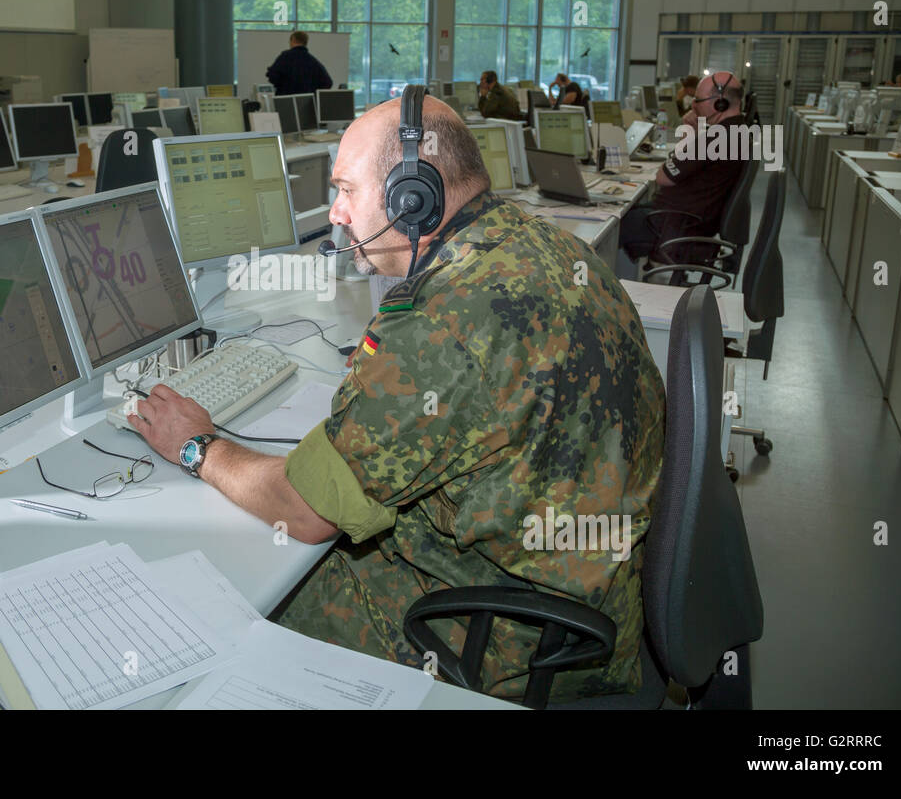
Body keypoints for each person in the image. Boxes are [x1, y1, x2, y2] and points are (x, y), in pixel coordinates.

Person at [123, 93, 666, 702]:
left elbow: (304, 511)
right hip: (589, 588)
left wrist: (197, 446)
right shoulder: (551, 246)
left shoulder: (447, 322)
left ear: (414, 195)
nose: (337, 213)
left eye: (348, 189)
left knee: (232, 590)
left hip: (511, 637)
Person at [619, 70, 749, 263]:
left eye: (698, 100)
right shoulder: (737, 131)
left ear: (719, 102)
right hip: (688, 221)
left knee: (608, 224)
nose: (694, 106)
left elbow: (663, 177)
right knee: (624, 209)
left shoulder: (717, 137)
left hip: (673, 225)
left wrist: (689, 135)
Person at [265, 30, 333, 96]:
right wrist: (313, 92)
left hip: (285, 100)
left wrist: (283, 85)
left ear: (293, 40)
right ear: (305, 42)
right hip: (306, 102)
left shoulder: (285, 56)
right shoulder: (313, 61)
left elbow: (272, 76)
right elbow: (328, 83)